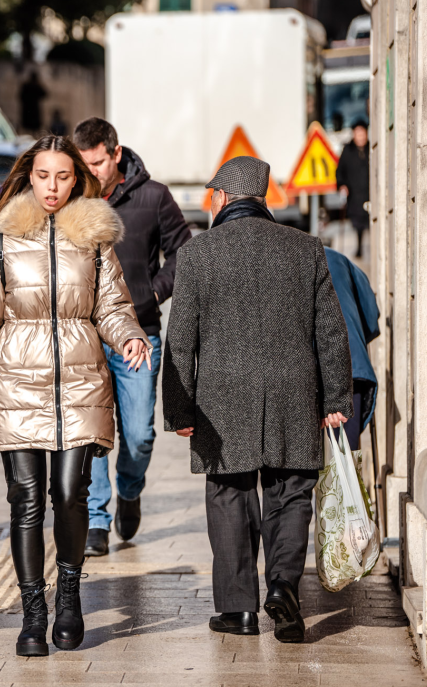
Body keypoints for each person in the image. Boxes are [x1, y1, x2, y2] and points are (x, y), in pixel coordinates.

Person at [0, 135, 150, 657]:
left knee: (68, 494)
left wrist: (129, 334)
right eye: (44, 176)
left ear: (76, 179)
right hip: (16, 384)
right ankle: (33, 611)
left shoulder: (93, 236)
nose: (53, 187)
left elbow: (111, 304)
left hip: (80, 384)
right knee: (24, 502)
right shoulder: (2, 239)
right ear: (29, 176)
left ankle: (68, 593)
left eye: (63, 176)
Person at [163, 156, 353, 644]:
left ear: (222, 199)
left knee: (229, 495)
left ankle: (237, 610)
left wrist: (179, 410)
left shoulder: (198, 254)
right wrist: (336, 397)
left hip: (221, 399)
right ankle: (284, 586)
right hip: (294, 392)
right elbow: (330, 333)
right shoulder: (306, 249)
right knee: (291, 492)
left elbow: (180, 340)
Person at [71, 117, 192, 555]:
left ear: (116, 154)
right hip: (85, 335)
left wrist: (154, 292)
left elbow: (184, 249)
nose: (91, 172)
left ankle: (129, 488)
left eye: (98, 162)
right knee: (94, 431)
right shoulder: (72, 197)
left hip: (139, 333)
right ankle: (97, 520)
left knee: (138, 433)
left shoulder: (154, 196)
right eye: (83, 164)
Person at [325, 247, 380, 450]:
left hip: (313, 369)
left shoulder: (294, 261)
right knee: (347, 451)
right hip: (353, 366)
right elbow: (372, 320)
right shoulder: (341, 260)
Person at [335, 118, 371, 257]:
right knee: (357, 222)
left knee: (370, 219)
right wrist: (342, 185)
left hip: (368, 192)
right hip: (354, 193)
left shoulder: (370, 149)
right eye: (358, 134)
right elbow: (340, 171)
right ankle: (359, 247)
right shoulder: (348, 151)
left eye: (363, 133)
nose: (361, 137)